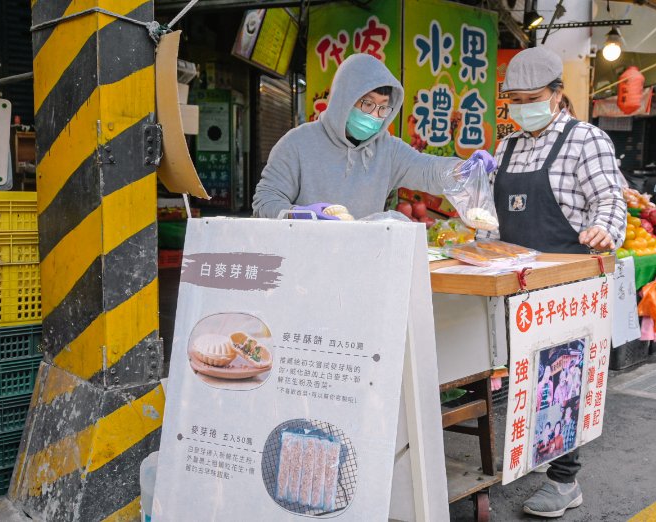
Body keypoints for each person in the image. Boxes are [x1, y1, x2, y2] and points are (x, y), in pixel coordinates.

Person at [495, 46, 627, 518]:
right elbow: (494, 215)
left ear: (556, 95)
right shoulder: (506, 145)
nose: (523, 106)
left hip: (567, 280)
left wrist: (604, 229)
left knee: (560, 374)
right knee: (524, 374)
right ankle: (536, 453)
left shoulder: (585, 139)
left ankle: (564, 481)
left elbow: (611, 200)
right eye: (514, 98)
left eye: (533, 97)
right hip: (515, 280)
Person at [252, 53, 496, 220]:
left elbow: (427, 169)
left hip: (364, 261)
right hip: (305, 262)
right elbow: (264, 202)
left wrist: (463, 169)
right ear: (342, 100)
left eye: (382, 107)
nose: (374, 115)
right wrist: (302, 214)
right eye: (366, 104)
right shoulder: (297, 144)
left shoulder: (387, 150)